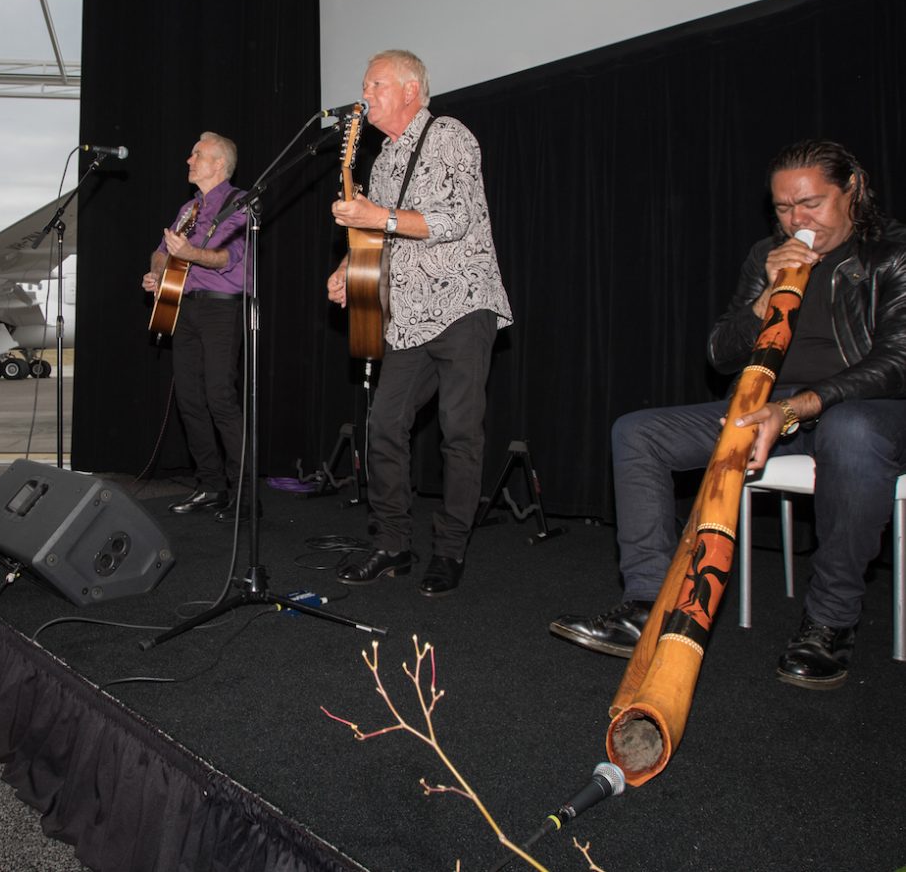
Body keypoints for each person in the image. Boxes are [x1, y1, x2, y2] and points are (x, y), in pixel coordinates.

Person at [550, 139, 906, 689]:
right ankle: (647, 605)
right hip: (764, 409)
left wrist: (797, 406)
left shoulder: (892, 252)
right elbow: (720, 351)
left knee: (850, 430)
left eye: (810, 204)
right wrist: (764, 299)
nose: (795, 220)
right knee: (637, 432)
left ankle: (830, 623)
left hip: (863, 413)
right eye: (783, 208)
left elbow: (897, 360)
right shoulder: (767, 253)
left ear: (852, 190)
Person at [326, 49, 513, 594]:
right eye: (363, 84)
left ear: (410, 89)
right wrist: (345, 269)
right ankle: (391, 543)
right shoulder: (382, 159)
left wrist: (373, 215)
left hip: (460, 305)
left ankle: (450, 550)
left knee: (459, 432)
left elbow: (456, 218)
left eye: (375, 84)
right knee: (383, 425)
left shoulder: (449, 134)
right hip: (405, 316)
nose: (364, 95)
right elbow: (378, 234)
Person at [142, 132, 250, 521]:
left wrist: (190, 254)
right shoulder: (189, 208)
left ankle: (244, 493)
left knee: (220, 396)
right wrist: (158, 274)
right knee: (189, 399)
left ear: (218, 164)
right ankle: (211, 486)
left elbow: (228, 257)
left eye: (197, 155)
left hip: (221, 310)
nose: (189, 160)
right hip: (182, 308)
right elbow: (160, 251)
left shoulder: (241, 203)